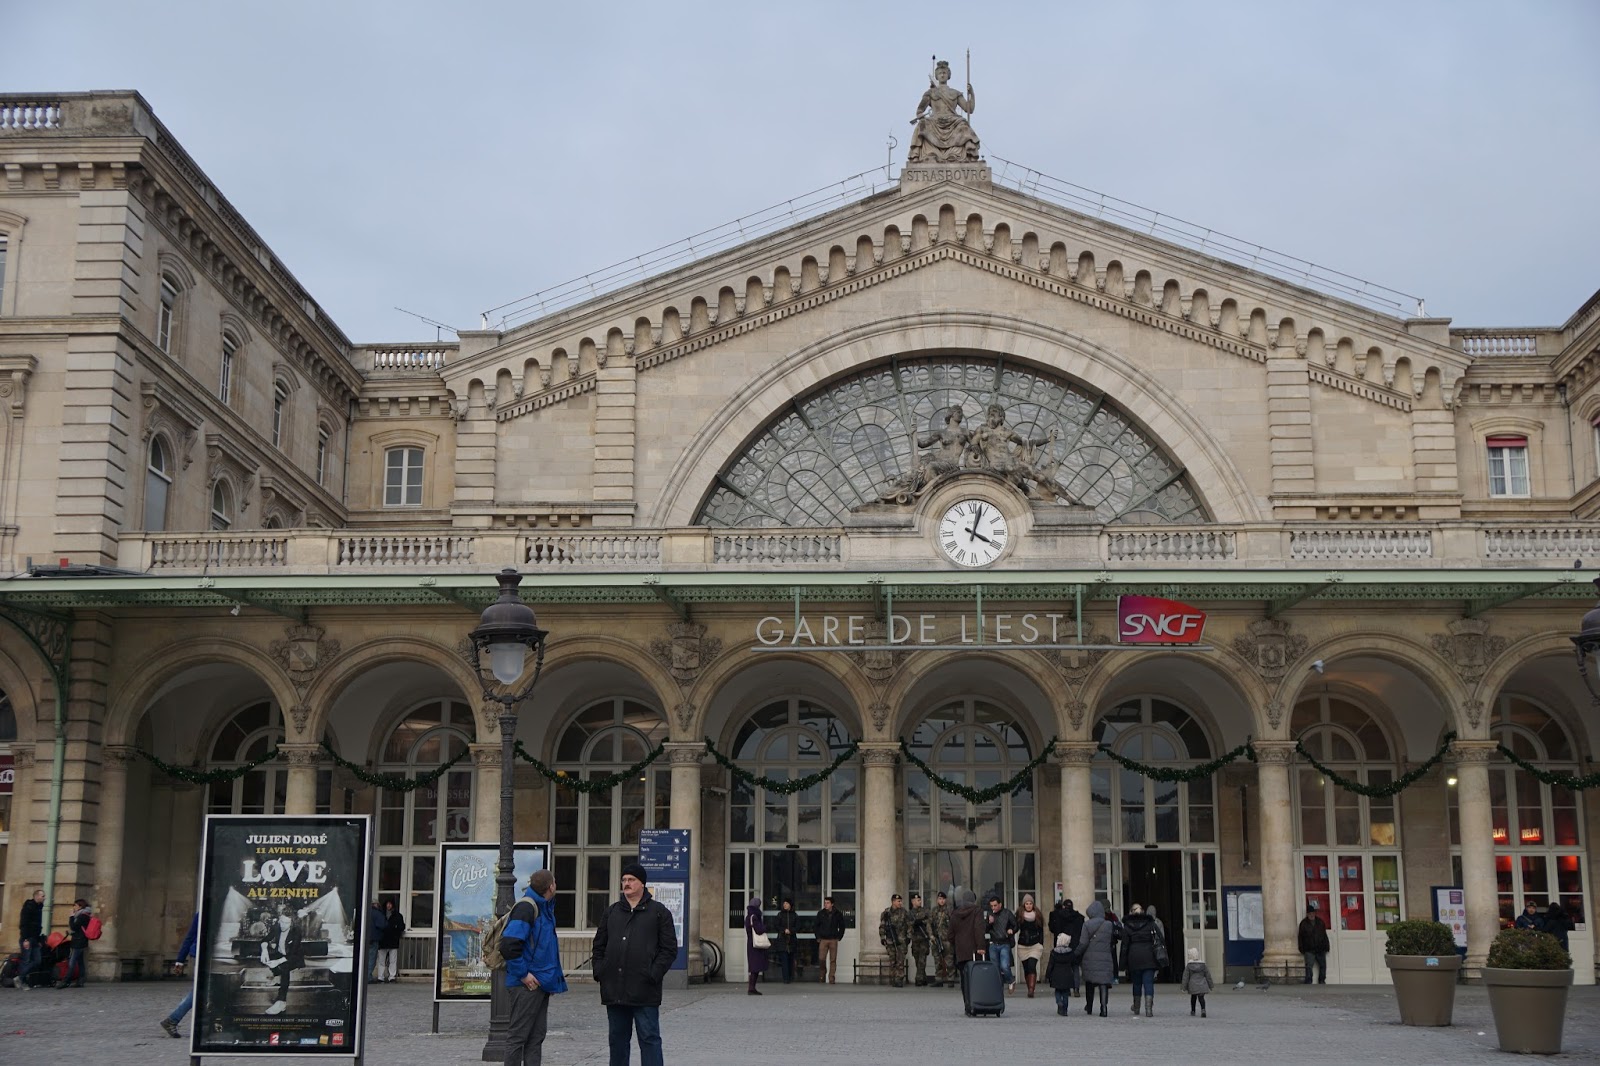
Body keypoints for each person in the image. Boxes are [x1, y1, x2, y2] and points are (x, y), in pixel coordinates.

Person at [592, 861, 677, 1066]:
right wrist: (600, 970)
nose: (626, 883)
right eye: (624, 880)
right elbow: (599, 945)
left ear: (642, 884)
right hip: (614, 989)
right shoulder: (612, 912)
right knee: (617, 1041)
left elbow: (669, 949)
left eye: (631, 880)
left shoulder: (659, 912)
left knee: (649, 1039)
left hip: (644, 989)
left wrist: (653, 973)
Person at [501, 868, 566, 1066]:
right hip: (526, 984)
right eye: (554, 882)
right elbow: (509, 945)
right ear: (551, 887)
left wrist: (549, 980)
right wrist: (523, 975)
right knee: (518, 1036)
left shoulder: (543, 907)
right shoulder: (527, 908)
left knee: (536, 1037)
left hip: (539, 983)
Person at [906, 58, 979, 163]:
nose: (942, 75)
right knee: (922, 124)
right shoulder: (930, 93)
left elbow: (969, 109)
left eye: (944, 72)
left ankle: (966, 154)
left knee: (964, 125)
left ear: (948, 75)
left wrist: (971, 93)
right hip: (935, 120)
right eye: (940, 73)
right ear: (936, 75)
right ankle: (917, 155)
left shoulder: (955, 93)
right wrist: (920, 115)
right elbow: (920, 110)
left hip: (953, 121)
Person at [159, 912, 199, 1037]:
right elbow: (191, 936)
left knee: (201, 991)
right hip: (205, 955)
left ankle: (172, 1020)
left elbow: (190, 937)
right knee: (200, 991)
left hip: (205, 954)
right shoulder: (207, 909)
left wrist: (181, 960)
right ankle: (172, 1020)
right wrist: (180, 960)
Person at [1076, 900, 1118, 1018]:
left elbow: (1083, 943)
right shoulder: (1109, 924)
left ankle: (1089, 1006)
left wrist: (1076, 954)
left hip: (1089, 958)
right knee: (1103, 984)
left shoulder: (1087, 925)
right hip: (1105, 957)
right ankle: (1103, 1008)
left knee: (1090, 982)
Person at [259, 903, 303, 1015]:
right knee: (267, 958)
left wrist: (278, 961)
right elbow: (265, 939)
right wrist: (264, 949)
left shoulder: (296, 931)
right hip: (279, 954)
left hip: (294, 957)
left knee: (284, 967)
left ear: (292, 923)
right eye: (281, 921)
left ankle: (281, 1002)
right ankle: (277, 975)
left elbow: (292, 953)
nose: (283, 925)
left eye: (286, 923)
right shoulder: (278, 926)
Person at [1120, 903, 1161, 1017]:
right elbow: (1160, 938)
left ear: (1131, 912)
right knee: (1148, 983)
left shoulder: (1127, 926)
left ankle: (1137, 1007)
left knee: (1137, 984)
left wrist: (1122, 963)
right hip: (1149, 956)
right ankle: (1149, 1010)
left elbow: (1124, 945)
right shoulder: (1150, 923)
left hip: (1134, 957)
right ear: (1143, 911)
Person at [1050, 898, 1086, 997]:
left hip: (1063, 944)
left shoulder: (1059, 916)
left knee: (1063, 968)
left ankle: (1066, 988)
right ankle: (1076, 988)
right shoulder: (1079, 917)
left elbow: (1053, 929)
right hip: (1075, 944)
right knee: (1075, 968)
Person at [1014, 893, 1046, 998]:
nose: (1028, 905)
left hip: (1035, 945)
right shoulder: (1019, 915)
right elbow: (1015, 927)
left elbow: (1041, 930)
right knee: (1026, 968)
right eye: (1026, 903)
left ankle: (1031, 990)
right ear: (1024, 905)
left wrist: (1041, 943)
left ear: (1033, 904)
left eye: (1030, 903)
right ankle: (1029, 988)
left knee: (1032, 966)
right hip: (1023, 945)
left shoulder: (1038, 915)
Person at [984, 894, 1017, 992]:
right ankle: (999, 987)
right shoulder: (990, 915)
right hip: (993, 943)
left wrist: (1011, 930)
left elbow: (1015, 925)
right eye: (991, 906)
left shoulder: (1007, 913)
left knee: (1004, 966)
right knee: (995, 967)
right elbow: (985, 929)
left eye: (995, 905)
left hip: (1004, 943)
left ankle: (1011, 980)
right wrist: (989, 923)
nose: (993, 908)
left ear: (1000, 905)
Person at [879, 893, 910, 988]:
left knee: (900, 961)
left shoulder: (904, 912)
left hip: (901, 940)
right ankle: (893, 978)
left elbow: (909, 925)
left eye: (901, 901)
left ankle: (899, 979)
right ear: (893, 902)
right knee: (892, 960)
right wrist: (882, 938)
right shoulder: (886, 913)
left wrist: (908, 936)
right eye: (898, 901)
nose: (900, 903)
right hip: (890, 940)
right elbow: (882, 926)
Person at [59, 899, 91, 989]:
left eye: (75, 905)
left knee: (72, 962)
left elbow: (74, 926)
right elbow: (78, 928)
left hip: (78, 941)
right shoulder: (85, 915)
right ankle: (81, 980)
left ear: (80, 906)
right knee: (80, 962)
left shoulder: (82, 916)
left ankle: (65, 981)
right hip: (81, 940)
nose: (74, 907)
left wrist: (71, 916)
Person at [1044, 932, 1077, 1016]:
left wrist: (1047, 975)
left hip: (1056, 974)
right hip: (1067, 975)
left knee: (1058, 991)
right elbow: (1074, 964)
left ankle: (1059, 1002)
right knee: (1066, 993)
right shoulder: (1071, 952)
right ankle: (1065, 1010)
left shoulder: (1054, 952)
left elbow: (1050, 965)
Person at [814, 896, 845, 984]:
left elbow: (842, 926)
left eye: (827, 903)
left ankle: (831, 977)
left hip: (833, 939)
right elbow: (816, 926)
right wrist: (818, 937)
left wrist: (839, 936)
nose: (826, 905)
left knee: (833, 959)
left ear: (832, 904)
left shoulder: (838, 914)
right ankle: (822, 974)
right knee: (821, 958)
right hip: (823, 939)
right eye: (825, 903)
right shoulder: (821, 913)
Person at [18, 889, 44, 991]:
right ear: (36, 896)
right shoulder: (28, 907)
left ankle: (20, 977)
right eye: (42, 896)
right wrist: (25, 939)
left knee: (37, 960)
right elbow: (24, 924)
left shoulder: (39, 908)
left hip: (35, 938)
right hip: (27, 938)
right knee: (26, 960)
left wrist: (38, 940)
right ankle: (22, 981)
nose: (44, 898)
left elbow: (37, 926)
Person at [1298, 903, 1330, 985]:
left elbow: (1324, 935)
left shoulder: (1320, 922)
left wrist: (1326, 946)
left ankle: (1322, 980)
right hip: (1309, 949)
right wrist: (1302, 948)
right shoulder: (1303, 924)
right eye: (1309, 913)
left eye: (1312, 913)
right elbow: (1300, 937)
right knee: (1309, 966)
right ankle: (1309, 981)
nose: (1311, 915)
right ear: (1307, 914)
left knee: (1323, 965)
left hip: (1320, 948)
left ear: (1315, 913)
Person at [1180, 946, 1215, 1018]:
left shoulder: (1189, 966)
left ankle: (1193, 1010)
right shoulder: (1203, 965)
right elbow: (1208, 976)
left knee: (1193, 997)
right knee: (1201, 998)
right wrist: (1211, 985)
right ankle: (1203, 1009)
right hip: (1202, 984)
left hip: (1193, 984)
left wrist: (1183, 987)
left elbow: (1185, 977)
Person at [377, 899, 405, 982]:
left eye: (390, 904)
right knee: (384, 960)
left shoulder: (381, 915)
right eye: (388, 904)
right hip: (388, 940)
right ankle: (384, 976)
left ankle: (387, 976)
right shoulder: (397, 915)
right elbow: (401, 927)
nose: (389, 905)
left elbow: (401, 927)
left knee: (389, 960)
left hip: (387, 939)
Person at [744, 896, 768, 995]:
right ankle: (751, 988)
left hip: (751, 943)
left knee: (755, 966)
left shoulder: (748, 916)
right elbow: (759, 930)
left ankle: (752, 987)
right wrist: (765, 927)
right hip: (755, 944)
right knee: (755, 967)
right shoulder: (754, 916)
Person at [907, 892, 932, 987]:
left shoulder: (925, 911)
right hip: (915, 939)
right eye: (917, 900)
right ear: (913, 901)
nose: (919, 902)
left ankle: (919, 979)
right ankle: (923, 977)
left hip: (923, 938)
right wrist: (914, 923)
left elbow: (930, 920)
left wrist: (922, 922)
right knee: (917, 959)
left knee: (922, 959)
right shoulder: (910, 913)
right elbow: (908, 924)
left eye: (920, 900)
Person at [770, 898, 797, 984]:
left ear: (790, 905)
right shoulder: (780, 915)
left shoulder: (794, 915)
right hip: (782, 939)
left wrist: (791, 931)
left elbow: (798, 926)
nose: (784, 905)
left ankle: (790, 976)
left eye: (786, 903)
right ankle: (786, 978)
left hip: (791, 940)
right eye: (784, 903)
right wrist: (783, 930)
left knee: (790, 959)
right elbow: (776, 925)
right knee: (784, 959)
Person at [930, 891, 953, 989]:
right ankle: (938, 979)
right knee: (937, 960)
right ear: (937, 900)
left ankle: (951, 979)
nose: (941, 901)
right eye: (940, 899)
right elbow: (929, 924)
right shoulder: (934, 911)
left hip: (946, 939)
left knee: (949, 960)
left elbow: (953, 925)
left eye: (943, 899)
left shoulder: (949, 910)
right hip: (936, 939)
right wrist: (931, 935)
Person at [365, 899, 385, 981]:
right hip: (373, 939)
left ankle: (363, 976)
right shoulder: (377, 914)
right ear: (376, 905)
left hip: (365, 939)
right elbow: (382, 925)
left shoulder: (365, 912)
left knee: (364, 958)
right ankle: (368, 977)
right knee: (371, 959)